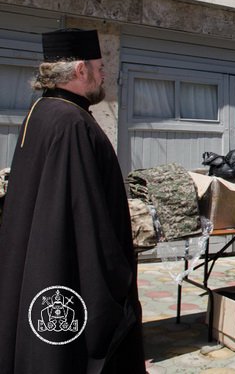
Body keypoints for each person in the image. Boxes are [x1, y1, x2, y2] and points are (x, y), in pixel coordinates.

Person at [0, 29, 146, 373]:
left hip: (39, 268)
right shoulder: (71, 123)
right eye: (100, 67)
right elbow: (85, 216)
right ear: (81, 69)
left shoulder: (42, 111)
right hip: (67, 276)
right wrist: (118, 277)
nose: (104, 74)